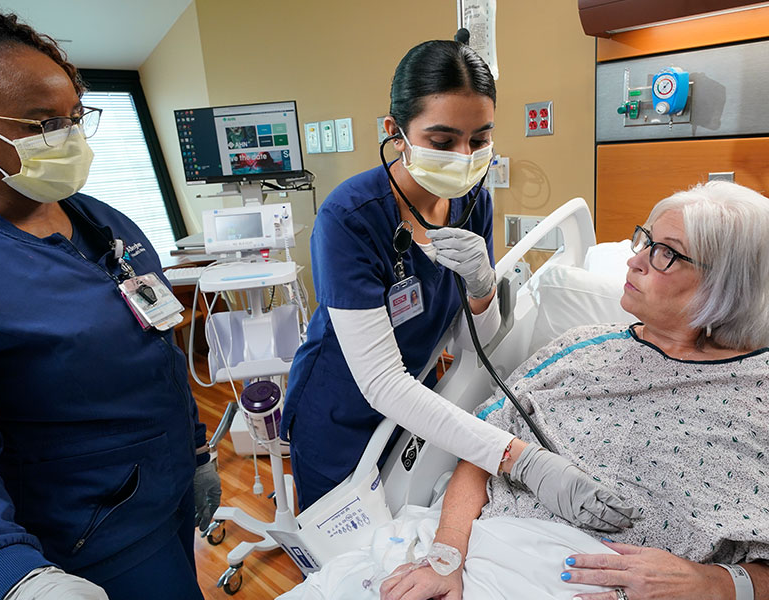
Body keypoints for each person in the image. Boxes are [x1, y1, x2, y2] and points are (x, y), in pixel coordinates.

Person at [278, 38, 636, 537]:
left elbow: (477, 341)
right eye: (443, 141)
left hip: (415, 392)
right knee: (342, 558)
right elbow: (379, 380)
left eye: (480, 139)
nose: (465, 158)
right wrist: (516, 457)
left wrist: (481, 286)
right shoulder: (349, 218)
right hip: (339, 407)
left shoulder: (475, 203)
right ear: (395, 132)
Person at [380, 180, 769, 600]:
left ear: (727, 283)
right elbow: (480, 449)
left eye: (665, 254)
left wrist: (713, 583)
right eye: (646, 241)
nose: (635, 261)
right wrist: (447, 555)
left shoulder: (757, 389)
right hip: (485, 560)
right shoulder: (580, 346)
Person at [0, 10, 220, 600]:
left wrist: (197, 448)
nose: (69, 137)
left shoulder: (103, 222)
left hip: (166, 499)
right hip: (79, 546)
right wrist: (10, 575)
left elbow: (158, 348)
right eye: (43, 122)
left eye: (75, 118)